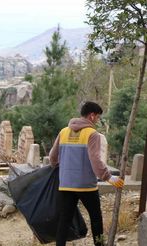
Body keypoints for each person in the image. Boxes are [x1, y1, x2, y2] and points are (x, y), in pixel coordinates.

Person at [49, 101, 124, 246]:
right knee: (96, 218)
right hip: (86, 186)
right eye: (97, 117)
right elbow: (95, 159)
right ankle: (99, 245)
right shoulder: (92, 134)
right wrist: (108, 177)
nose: (97, 120)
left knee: (64, 220)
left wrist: (63, 168)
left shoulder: (63, 132)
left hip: (66, 185)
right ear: (91, 116)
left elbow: (52, 157)